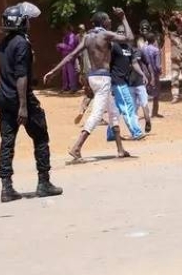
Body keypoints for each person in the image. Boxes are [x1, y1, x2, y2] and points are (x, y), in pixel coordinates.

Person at [43, 9, 134, 162]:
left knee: (113, 111)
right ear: (104, 22)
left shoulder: (87, 37)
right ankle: (77, 147)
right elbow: (129, 38)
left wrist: (53, 71)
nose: (110, 22)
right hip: (104, 78)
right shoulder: (106, 34)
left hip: (93, 77)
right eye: (108, 20)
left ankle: (120, 149)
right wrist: (123, 18)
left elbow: (71, 55)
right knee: (97, 114)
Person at [0, 2, 63, 202]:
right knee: (41, 136)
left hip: (3, 98)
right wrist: (24, 106)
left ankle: (6, 188)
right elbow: (21, 76)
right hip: (20, 99)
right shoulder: (22, 43)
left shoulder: (4, 43)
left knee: (7, 142)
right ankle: (44, 182)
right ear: (21, 23)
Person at [107, 28, 147, 141]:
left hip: (124, 81)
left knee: (117, 109)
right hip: (117, 81)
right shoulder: (114, 47)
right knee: (128, 106)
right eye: (118, 32)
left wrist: (142, 74)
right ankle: (136, 132)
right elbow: (107, 62)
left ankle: (111, 134)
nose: (120, 34)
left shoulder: (129, 47)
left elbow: (134, 63)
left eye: (122, 33)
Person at [140, 32, 163, 118]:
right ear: (154, 40)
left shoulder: (142, 49)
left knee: (144, 92)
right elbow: (157, 65)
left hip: (144, 73)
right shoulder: (156, 50)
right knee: (156, 93)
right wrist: (160, 71)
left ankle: (145, 113)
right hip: (154, 73)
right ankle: (155, 112)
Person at [56, 26, 80, 93]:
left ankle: (73, 87)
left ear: (68, 29)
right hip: (64, 56)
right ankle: (65, 87)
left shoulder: (72, 36)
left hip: (70, 57)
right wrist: (59, 48)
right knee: (64, 73)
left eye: (65, 29)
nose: (63, 31)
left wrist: (61, 45)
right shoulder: (65, 36)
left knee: (71, 72)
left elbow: (71, 47)